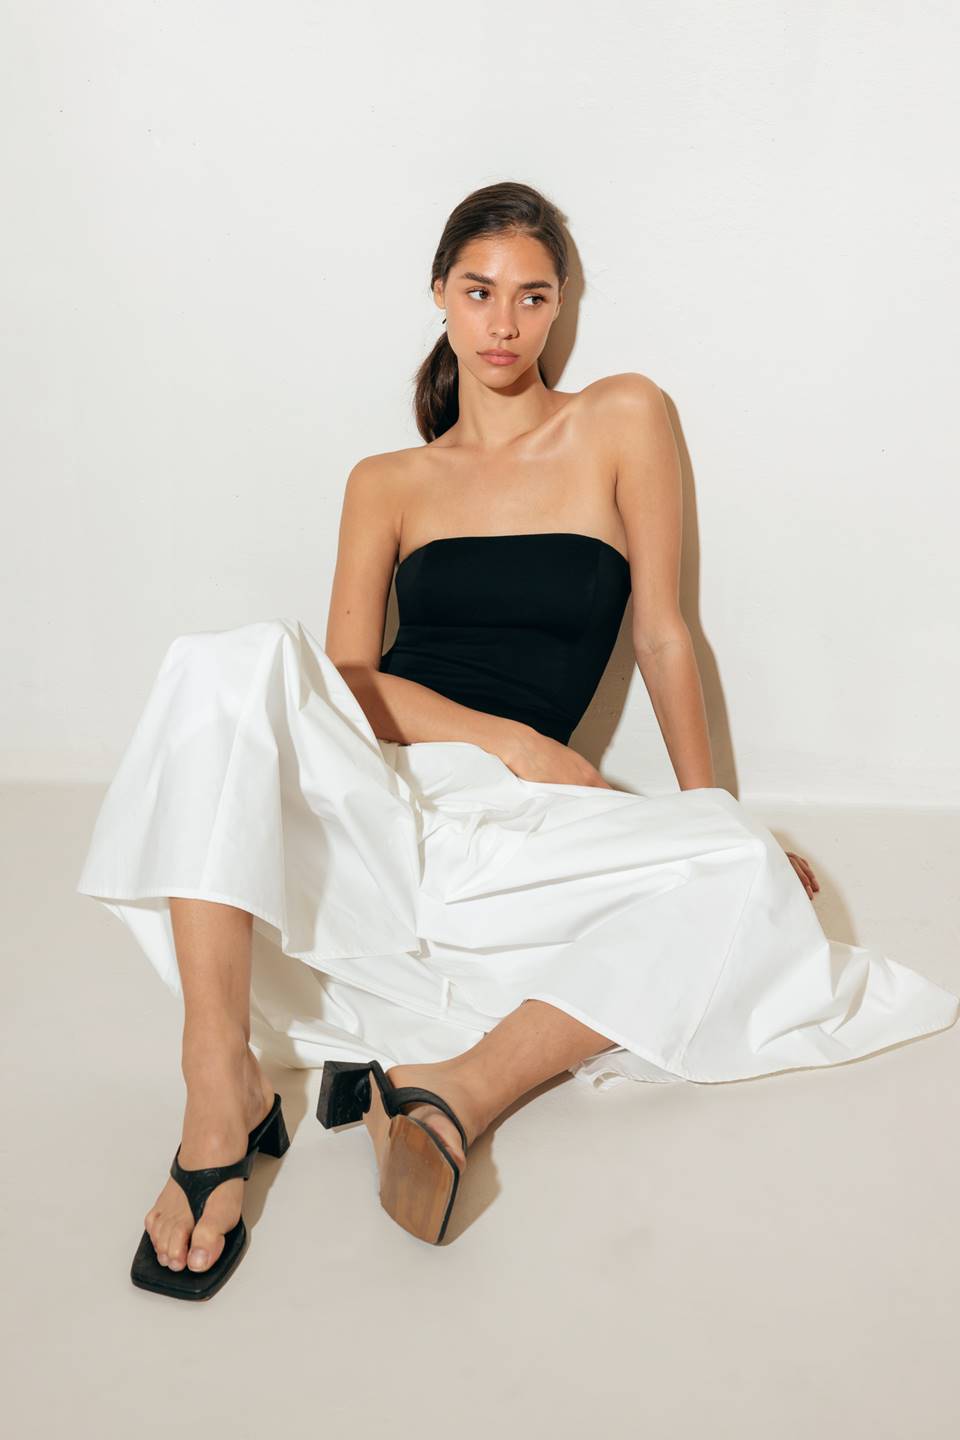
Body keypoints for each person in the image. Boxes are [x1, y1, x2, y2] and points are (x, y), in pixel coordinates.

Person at [76, 179, 959, 1299]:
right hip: (385, 795)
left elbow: (664, 632)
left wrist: (715, 820)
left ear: (560, 307)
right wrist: (516, 741)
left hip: (511, 829)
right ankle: (218, 1084)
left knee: (742, 867)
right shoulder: (387, 481)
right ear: (440, 295)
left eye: (532, 297)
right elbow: (346, 688)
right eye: (480, 291)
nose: (504, 323)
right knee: (224, 662)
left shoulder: (622, 417)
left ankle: (454, 1093)